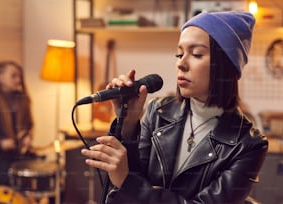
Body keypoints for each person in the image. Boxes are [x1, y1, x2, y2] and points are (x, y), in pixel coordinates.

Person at [81, 11, 269, 203]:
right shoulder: (157, 112)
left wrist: (127, 182)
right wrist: (128, 124)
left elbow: (130, 185)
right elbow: (120, 194)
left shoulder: (249, 145)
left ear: (226, 65)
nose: (181, 63)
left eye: (196, 54)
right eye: (179, 54)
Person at [0, 61, 36, 186]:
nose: (18, 80)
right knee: (9, 178)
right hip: (1, 157)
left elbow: (30, 126)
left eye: (19, 76)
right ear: (0, 77)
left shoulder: (23, 100)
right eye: (13, 76)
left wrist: (28, 137)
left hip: (22, 154)